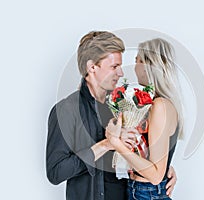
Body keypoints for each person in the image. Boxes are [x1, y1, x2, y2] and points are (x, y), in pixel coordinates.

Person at [46, 31, 177, 200]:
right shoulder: (65, 110)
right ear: (92, 67)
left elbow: (144, 153)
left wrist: (164, 168)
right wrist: (106, 145)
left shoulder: (125, 105)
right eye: (114, 67)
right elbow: (56, 173)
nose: (121, 73)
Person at [106, 38, 184, 200]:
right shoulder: (156, 103)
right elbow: (157, 164)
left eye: (137, 60)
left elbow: (155, 176)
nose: (134, 66)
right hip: (141, 191)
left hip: (147, 193)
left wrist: (117, 145)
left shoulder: (160, 105)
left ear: (149, 65)